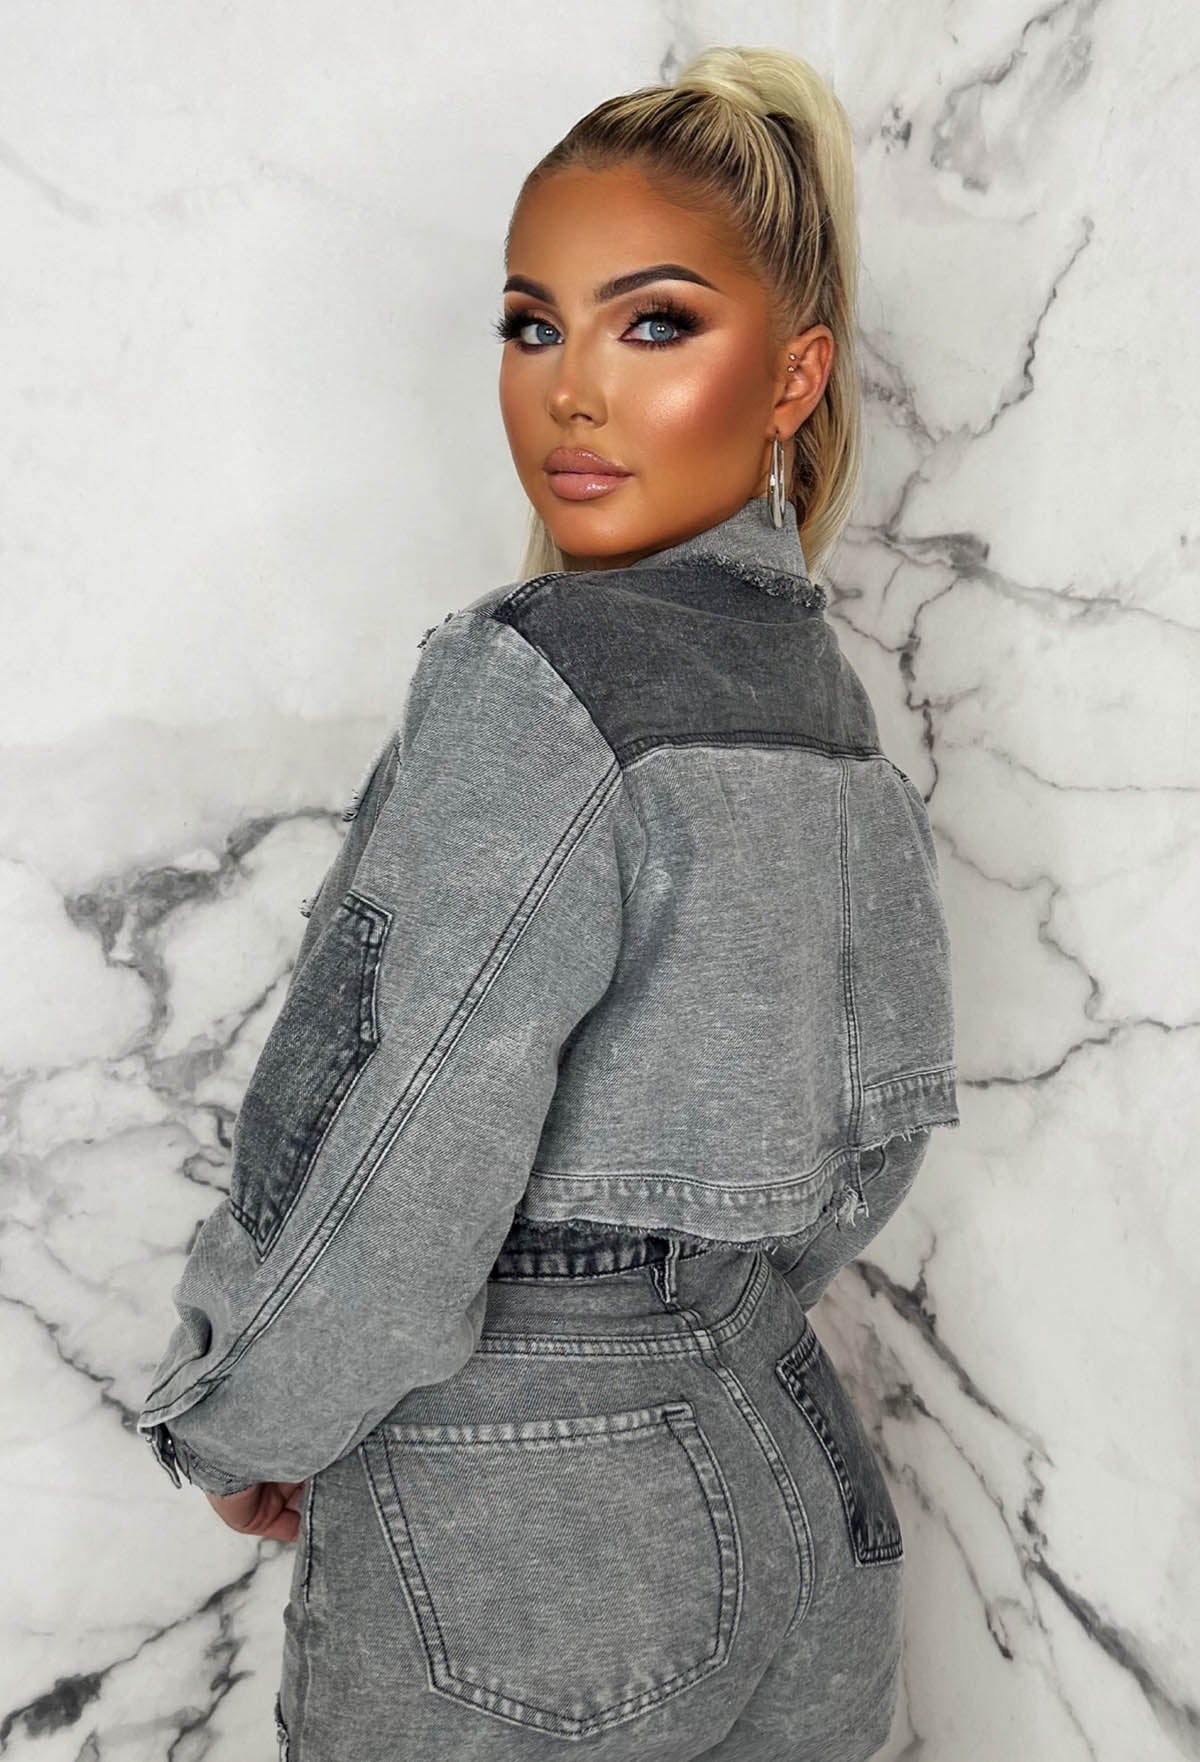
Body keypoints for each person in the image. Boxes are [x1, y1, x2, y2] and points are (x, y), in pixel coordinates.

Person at [137, 43, 958, 1762]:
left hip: (532, 1550)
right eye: (533, 325)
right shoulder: (829, 716)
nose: (571, 391)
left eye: (653, 323)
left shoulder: (542, 685)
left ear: (795, 374)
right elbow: (875, 1143)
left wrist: (244, 1409)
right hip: (801, 1492)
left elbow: (391, 1143)